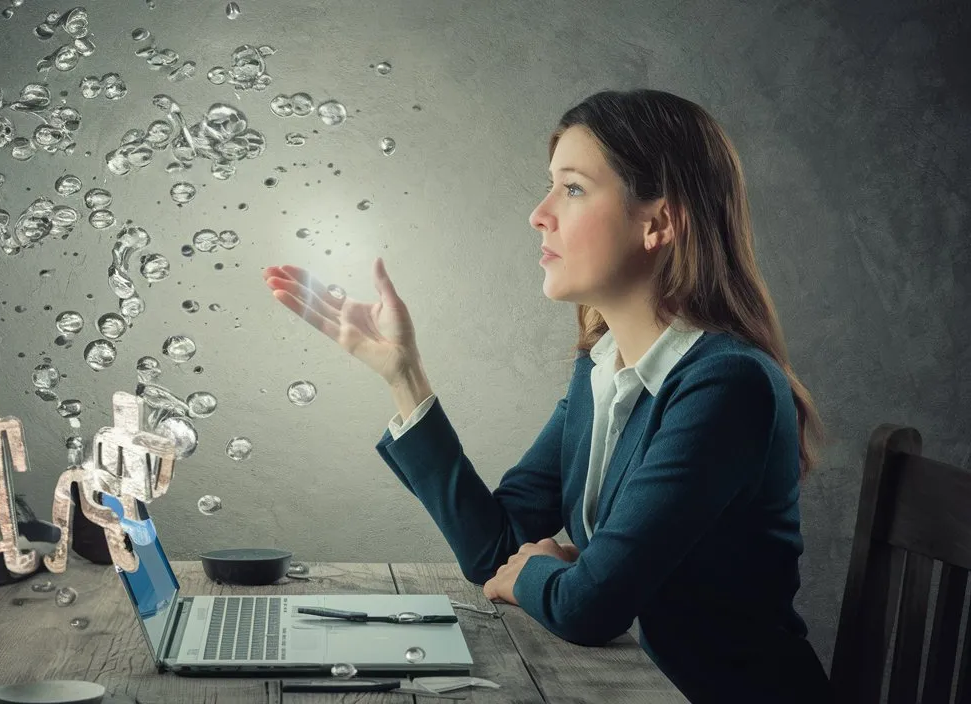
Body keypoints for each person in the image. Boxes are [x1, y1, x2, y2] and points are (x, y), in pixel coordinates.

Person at [262, 89, 833, 704]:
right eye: (549, 186)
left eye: (573, 188)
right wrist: (404, 375)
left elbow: (589, 608)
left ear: (660, 223)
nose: (539, 213)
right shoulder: (602, 368)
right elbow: (496, 550)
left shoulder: (725, 385)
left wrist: (546, 572)